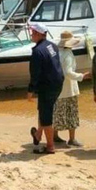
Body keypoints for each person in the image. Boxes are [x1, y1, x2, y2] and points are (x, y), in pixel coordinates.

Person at [27, 23, 64, 155]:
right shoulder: (52, 45)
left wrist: (30, 91)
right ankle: (37, 135)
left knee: (46, 115)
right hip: (58, 83)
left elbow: (35, 73)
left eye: (32, 32)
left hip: (47, 86)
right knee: (44, 110)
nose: (31, 35)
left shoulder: (37, 51)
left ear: (38, 33)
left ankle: (50, 147)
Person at [53, 31, 90, 147]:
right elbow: (68, 72)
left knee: (58, 113)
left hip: (58, 88)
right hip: (69, 89)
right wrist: (82, 76)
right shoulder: (68, 54)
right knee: (71, 113)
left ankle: (55, 135)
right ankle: (72, 139)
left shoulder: (57, 53)